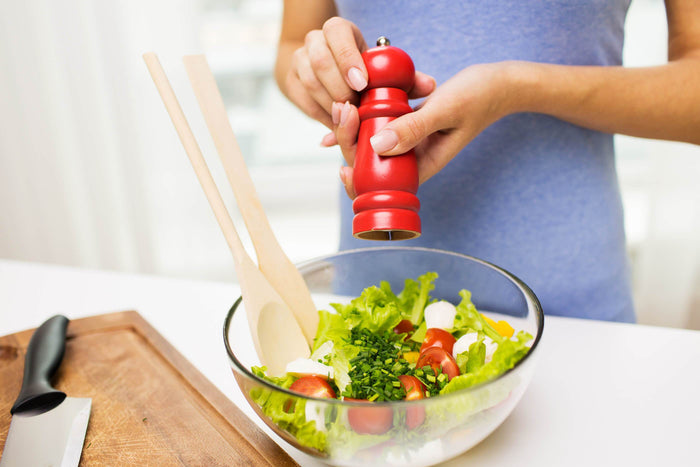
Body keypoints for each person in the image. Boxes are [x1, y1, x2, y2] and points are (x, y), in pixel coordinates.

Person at [274, 0, 700, 322]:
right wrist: (318, 73)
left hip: (570, 308)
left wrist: (517, 87)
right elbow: (293, 43)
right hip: (376, 297)